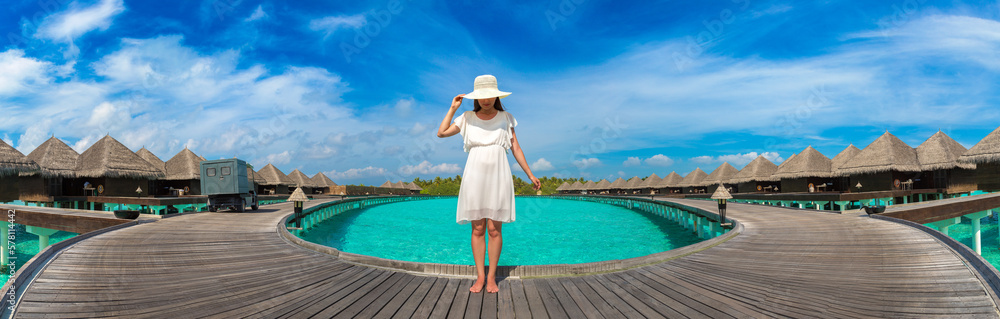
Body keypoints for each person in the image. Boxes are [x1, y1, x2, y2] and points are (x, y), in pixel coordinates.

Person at [437, 74, 541, 293]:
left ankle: (492, 277)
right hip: (474, 174)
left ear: (496, 95)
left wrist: (530, 174)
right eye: (481, 96)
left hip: (498, 174)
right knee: (478, 228)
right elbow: (441, 133)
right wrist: (453, 108)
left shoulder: (506, 117)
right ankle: (480, 277)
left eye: (489, 95)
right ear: (476, 98)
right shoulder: (466, 117)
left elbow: (515, 148)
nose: (486, 100)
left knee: (494, 229)